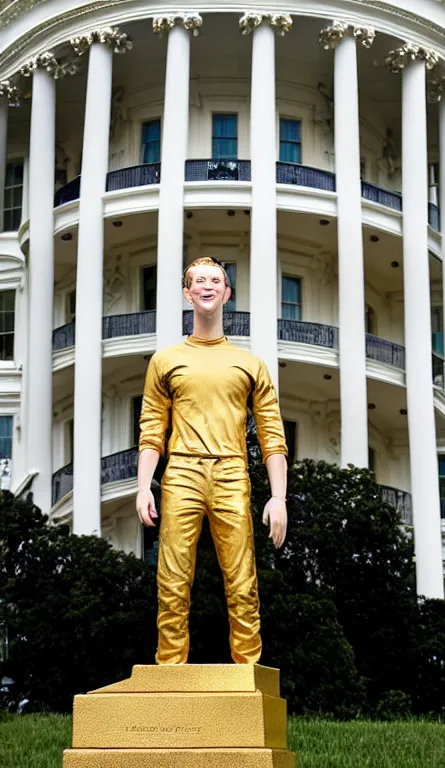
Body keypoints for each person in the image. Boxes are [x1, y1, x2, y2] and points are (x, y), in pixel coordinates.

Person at [136, 257, 288, 665]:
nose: (206, 286)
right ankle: (169, 671)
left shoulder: (249, 363)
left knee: (242, 580)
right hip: (181, 471)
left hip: (231, 472)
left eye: (215, 280)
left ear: (227, 294)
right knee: (171, 579)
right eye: (198, 281)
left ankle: (249, 673)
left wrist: (279, 498)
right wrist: (143, 486)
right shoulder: (165, 360)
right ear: (187, 293)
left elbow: (272, 433)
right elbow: (152, 428)